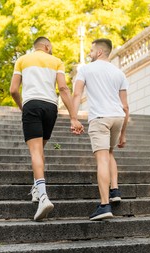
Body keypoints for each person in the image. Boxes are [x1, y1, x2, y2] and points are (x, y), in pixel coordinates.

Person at [10, 36, 84, 221]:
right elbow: (64, 89)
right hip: (50, 107)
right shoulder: (56, 61)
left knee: (35, 151)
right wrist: (73, 117)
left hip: (32, 105)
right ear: (47, 46)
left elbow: (13, 90)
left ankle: (43, 196)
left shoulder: (22, 60)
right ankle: (36, 189)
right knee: (40, 150)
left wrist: (22, 106)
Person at [72, 38, 129, 221]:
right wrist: (123, 133)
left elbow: (77, 93)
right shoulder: (119, 73)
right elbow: (126, 106)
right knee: (110, 153)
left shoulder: (86, 70)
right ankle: (115, 190)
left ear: (98, 52)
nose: (89, 53)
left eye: (91, 50)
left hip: (100, 118)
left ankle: (104, 206)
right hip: (117, 117)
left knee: (102, 159)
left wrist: (74, 118)